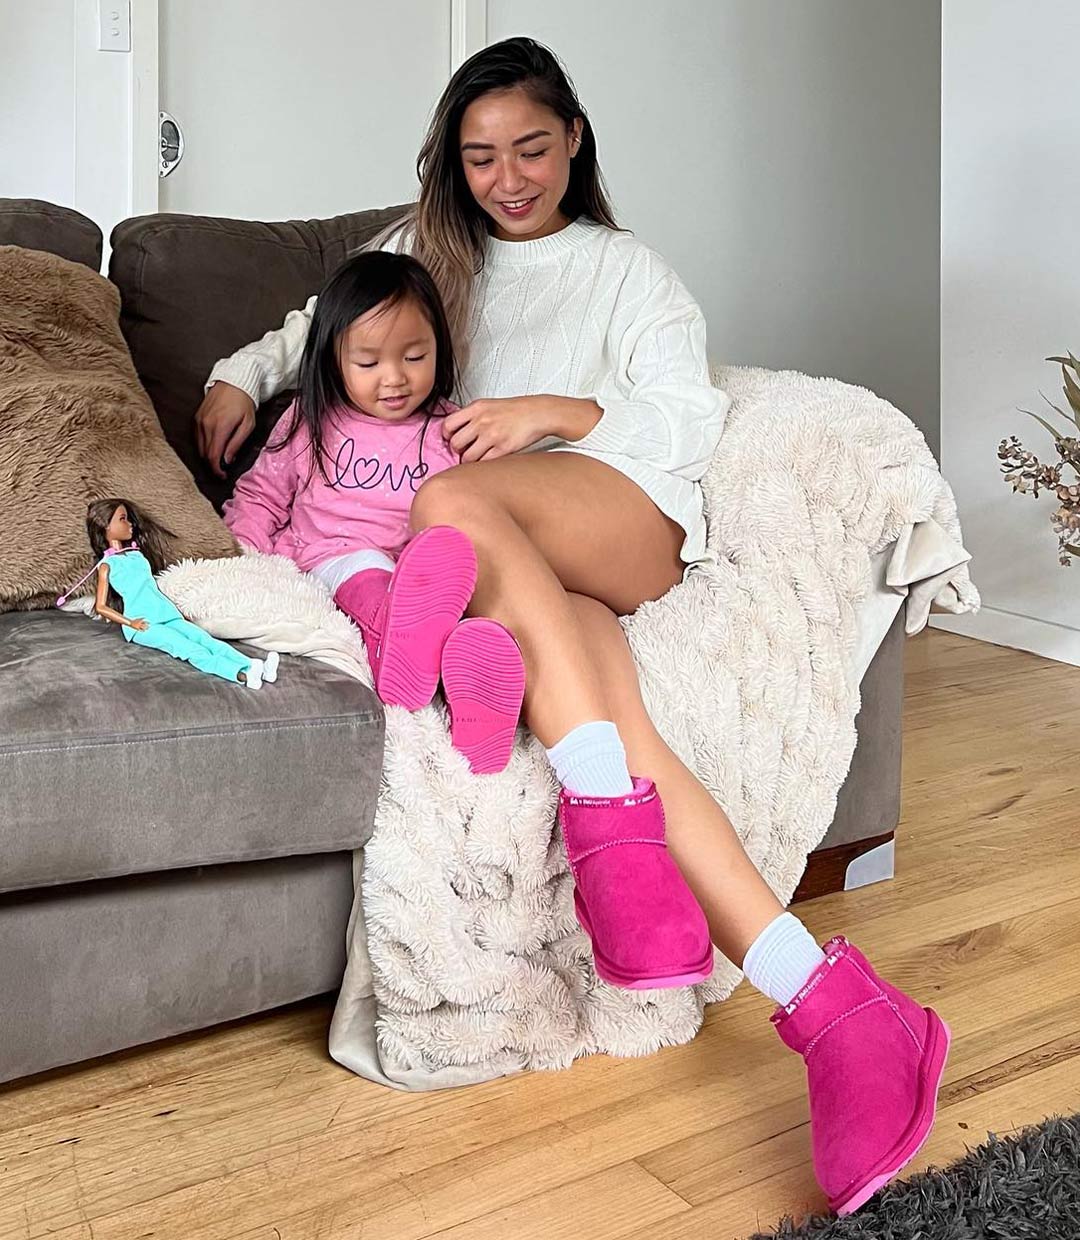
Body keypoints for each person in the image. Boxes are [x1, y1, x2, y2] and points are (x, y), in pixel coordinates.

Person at [194, 37, 947, 1215]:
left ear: (575, 139)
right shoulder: (425, 253)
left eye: (531, 149)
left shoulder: (624, 269)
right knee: (619, 730)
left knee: (447, 501)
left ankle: (609, 828)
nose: (507, 178)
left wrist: (556, 410)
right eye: (481, 157)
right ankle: (844, 1013)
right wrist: (236, 380)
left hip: (621, 517)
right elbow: (312, 329)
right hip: (524, 572)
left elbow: (683, 412)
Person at [223, 251, 525, 774]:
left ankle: (475, 708)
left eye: (415, 356)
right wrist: (240, 561)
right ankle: (399, 642)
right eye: (369, 363)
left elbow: (497, 505)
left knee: (465, 604)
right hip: (336, 559)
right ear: (334, 360)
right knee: (370, 577)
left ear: (440, 349)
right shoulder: (311, 421)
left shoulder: (451, 429)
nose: (395, 379)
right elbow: (261, 496)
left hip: (425, 571)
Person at [84, 498, 278, 689]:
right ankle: (240, 675)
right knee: (187, 648)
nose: (129, 524)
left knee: (205, 639)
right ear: (105, 526)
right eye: (122, 519)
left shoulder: (137, 555)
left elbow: (151, 588)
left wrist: (174, 610)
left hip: (165, 613)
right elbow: (101, 607)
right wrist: (130, 622)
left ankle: (254, 665)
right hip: (142, 622)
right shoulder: (107, 566)